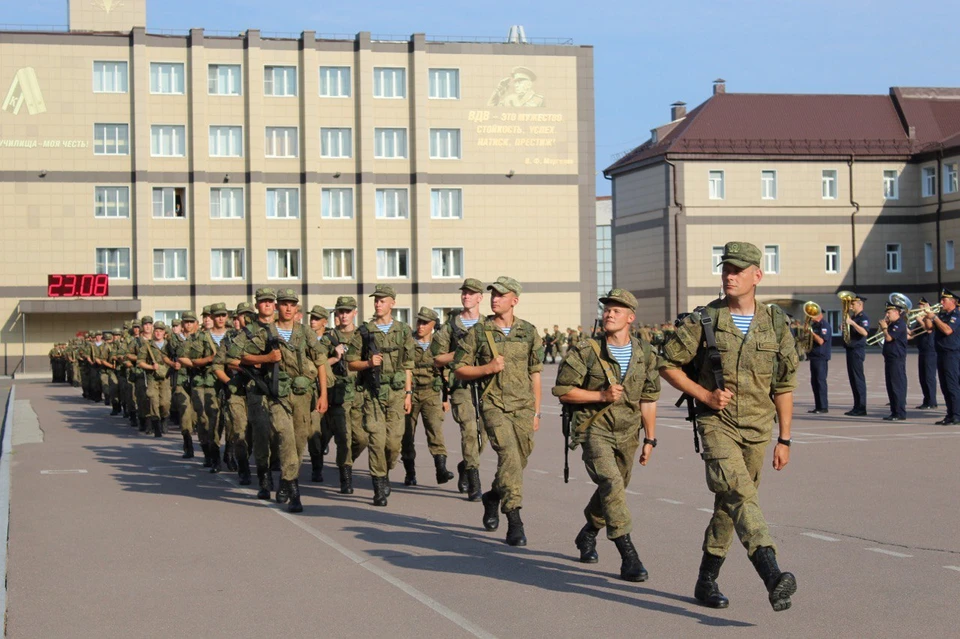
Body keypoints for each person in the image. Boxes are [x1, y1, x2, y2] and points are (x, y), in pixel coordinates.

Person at [660, 241, 799, 612]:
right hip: (716, 423)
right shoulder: (704, 320)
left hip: (758, 428)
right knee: (740, 493)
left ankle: (706, 579)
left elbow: (783, 385)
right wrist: (703, 395)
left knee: (729, 504)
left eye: (737, 270)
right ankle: (771, 572)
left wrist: (784, 438)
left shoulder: (777, 323)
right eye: (726, 269)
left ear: (757, 275)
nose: (729, 276)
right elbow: (668, 364)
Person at [553, 288, 661, 582]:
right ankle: (629, 555)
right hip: (594, 429)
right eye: (607, 309)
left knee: (614, 490)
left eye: (617, 310)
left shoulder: (645, 353)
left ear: (630, 317)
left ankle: (588, 533)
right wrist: (600, 395)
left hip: (628, 433)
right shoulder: (587, 350)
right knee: (612, 484)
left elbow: (649, 398)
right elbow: (563, 391)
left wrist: (650, 438)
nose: (609, 313)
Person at [452, 276, 544, 546]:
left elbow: (535, 374)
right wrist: (486, 369)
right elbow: (459, 368)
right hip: (494, 407)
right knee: (509, 457)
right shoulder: (479, 332)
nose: (495, 298)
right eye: (493, 294)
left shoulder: (528, 331)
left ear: (514, 300)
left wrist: (537, 412)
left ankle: (492, 496)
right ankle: (514, 519)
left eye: (501, 295)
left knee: (518, 461)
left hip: (523, 408)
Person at [229, 288, 303, 513]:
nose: (268, 305)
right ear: (257, 305)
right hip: (258, 390)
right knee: (261, 435)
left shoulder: (285, 329)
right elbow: (233, 357)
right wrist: (263, 360)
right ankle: (264, 478)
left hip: (283, 390)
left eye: (271, 301)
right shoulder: (250, 331)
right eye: (263, 302)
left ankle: (284, 481)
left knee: (286, 437)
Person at [346, 285, 415, 507]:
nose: (378, 303)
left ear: (392, 303)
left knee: (394, 443)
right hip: (373, 393)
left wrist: (407, 394)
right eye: (376, 300)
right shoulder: (364, 332)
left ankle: (385, 471)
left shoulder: (403, 331)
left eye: (382, 300)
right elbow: (351, 362)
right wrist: (367, 363)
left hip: (395, 393)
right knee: (376, 440)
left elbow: (407, 365)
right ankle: (378, 486)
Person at [430, 278, 486, 501]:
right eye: (464, 293)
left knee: (483, 437)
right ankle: (474, 481)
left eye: (471, 293)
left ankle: (465, 465)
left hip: (485, 386)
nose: (466, 296)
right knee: (469, 431)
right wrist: (461, 355)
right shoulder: (451, 326)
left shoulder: (488, 324)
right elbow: (436, 358)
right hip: (461, 386)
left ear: (480, 298)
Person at [401, 307, 454, 487]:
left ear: (433, 325)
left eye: (425, 322)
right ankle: (410, 473)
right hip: (411, 393)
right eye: (419, 322)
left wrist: (446, 399)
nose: (421, 325)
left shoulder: (438, 344)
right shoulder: (408, 342)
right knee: (407, 435)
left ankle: (441, 470)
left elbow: (445, 372)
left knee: (435, 432)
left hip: (432, 393)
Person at [325, 296, 364, 494]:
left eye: (348, 311)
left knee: (362, 438)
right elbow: (318, 365)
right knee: (344, 437)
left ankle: (346, 461)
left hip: (359, 392)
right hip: (338, 392)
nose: (344, 315)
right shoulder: (328, 337)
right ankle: (345, 476)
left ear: (354, 313)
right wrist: (335, 356)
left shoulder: (362, 335)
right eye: (341, 311)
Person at [922, 289, 960, 426]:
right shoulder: (943, 315)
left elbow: (948, 330)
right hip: (941, 353)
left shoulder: (956, 315)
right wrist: (927, 316)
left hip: (952, 354)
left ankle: (957, 415)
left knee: (952, 385)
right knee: (944, 386)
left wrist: (934, 317)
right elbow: (929, 328)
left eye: (944, 300)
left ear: (953, 302)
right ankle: (950, 414)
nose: (941, 302)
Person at [138, 322, 174, 437]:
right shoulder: (147, 346)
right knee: (153, 401)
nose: (158, 333)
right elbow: (140, 362)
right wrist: (150, 367)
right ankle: (156, 425)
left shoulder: (169, 346)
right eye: (156, 331)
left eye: (161, 331)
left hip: (166, 377)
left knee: (165, 403)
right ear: (154, 332)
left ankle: (164, 418)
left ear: (164, 332)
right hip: (152, 377)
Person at [879, 301, 908, 421]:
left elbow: (889, 338)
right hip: (890, 358)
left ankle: (900, 412)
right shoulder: (892, 324)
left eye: (889, 312)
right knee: (890, 386)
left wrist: (884, 328)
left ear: (896, 312)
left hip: (897, 359)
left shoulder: (900, 324)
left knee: (897, 386)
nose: (887, 315)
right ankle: (894, 411)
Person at [843, 294, 870, 416]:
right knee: (853, 380)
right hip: (850, 350)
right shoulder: (854, 317)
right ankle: (856, 406)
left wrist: (852, 324)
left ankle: (862, 407)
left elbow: (864, 332)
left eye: (853, 304)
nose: (851, 306)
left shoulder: (863, 317)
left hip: (857, 351)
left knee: (858, 379)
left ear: (860, 304)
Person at [909, 297, 938, 410]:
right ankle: (926, 400)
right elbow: (912, 335)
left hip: (930, 351)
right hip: (922, 351)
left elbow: (929, 329)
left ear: (928, 307)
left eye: (922, 306)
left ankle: (932, 401)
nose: (919, 308)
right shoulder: (919, 321)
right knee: (923, 377)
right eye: (919, 306)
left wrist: (920, 319)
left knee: (929, 377)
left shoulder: (930, 318)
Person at [806, 309, 831, 414]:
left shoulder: (824, 325)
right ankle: (818, 406)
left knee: (820, 382)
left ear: (820, 314)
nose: (811, 316)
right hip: (814, 356)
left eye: (813, 314)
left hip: (821, 357)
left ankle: (823, 406)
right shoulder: (815, 325)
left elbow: (821, 341)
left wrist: (811, 332)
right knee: (814, 382)